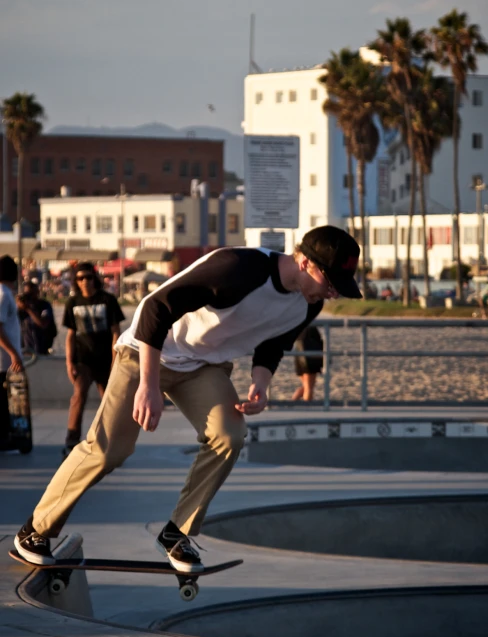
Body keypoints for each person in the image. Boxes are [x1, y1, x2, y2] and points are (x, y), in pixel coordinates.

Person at [14, 225, 362, 571]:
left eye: (337, 287)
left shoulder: (308, 304)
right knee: (108, 449)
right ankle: (35, 529)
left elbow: (273, 342)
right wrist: (148, 386)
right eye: (329, 283)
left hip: (202, 365)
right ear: (304, 263)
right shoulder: (238, 269)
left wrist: (261, 383)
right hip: (146, 351)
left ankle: (177, 532)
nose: (332, 293)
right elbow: (153, 310)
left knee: (229, 436)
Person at [60, 262, 125, 458]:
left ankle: (111, 441)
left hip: (105, 359)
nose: (85, 281)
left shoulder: (108, 300)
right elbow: (70, 335)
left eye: (88, 277)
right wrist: (69, 362)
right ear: (76, 281)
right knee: (78, 396)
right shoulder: (73, 302)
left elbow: (116, 332)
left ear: (94, 278)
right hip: (83, 360)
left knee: (109, 402)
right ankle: (72, 440)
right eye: (80, 278)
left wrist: (116, 361)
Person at [0, 256, 23, 449]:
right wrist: (13, 353)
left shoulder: (6, 293)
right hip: (3, 360)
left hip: (5, 359)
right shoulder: (2, 294)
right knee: (3, 400)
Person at [17, 280, 57, 355]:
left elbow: (43, 324)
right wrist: (17, 307)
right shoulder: (21, 309)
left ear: (37, 293)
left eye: (31, 294)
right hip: (25, 350)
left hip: (42, 350)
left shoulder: (44, 305)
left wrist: (28, 309)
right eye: (26, 294)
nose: (29, 297)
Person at [292, 325, 323, 401]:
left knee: (306, 386)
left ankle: (291, 404)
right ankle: (306, 409)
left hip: (300, 344)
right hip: (309, 344)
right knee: (308, 387)